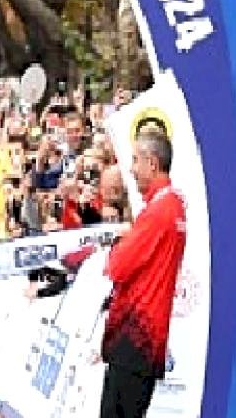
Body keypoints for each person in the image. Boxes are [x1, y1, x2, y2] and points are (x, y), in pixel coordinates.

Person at [99, 132, 186, 418]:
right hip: (147, 335)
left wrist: (117, 246)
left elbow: (117, 267)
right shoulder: (171, 206)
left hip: (135, 336)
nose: (132, 169)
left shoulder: (159, 211)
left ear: (152, 163)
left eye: (136, 160)